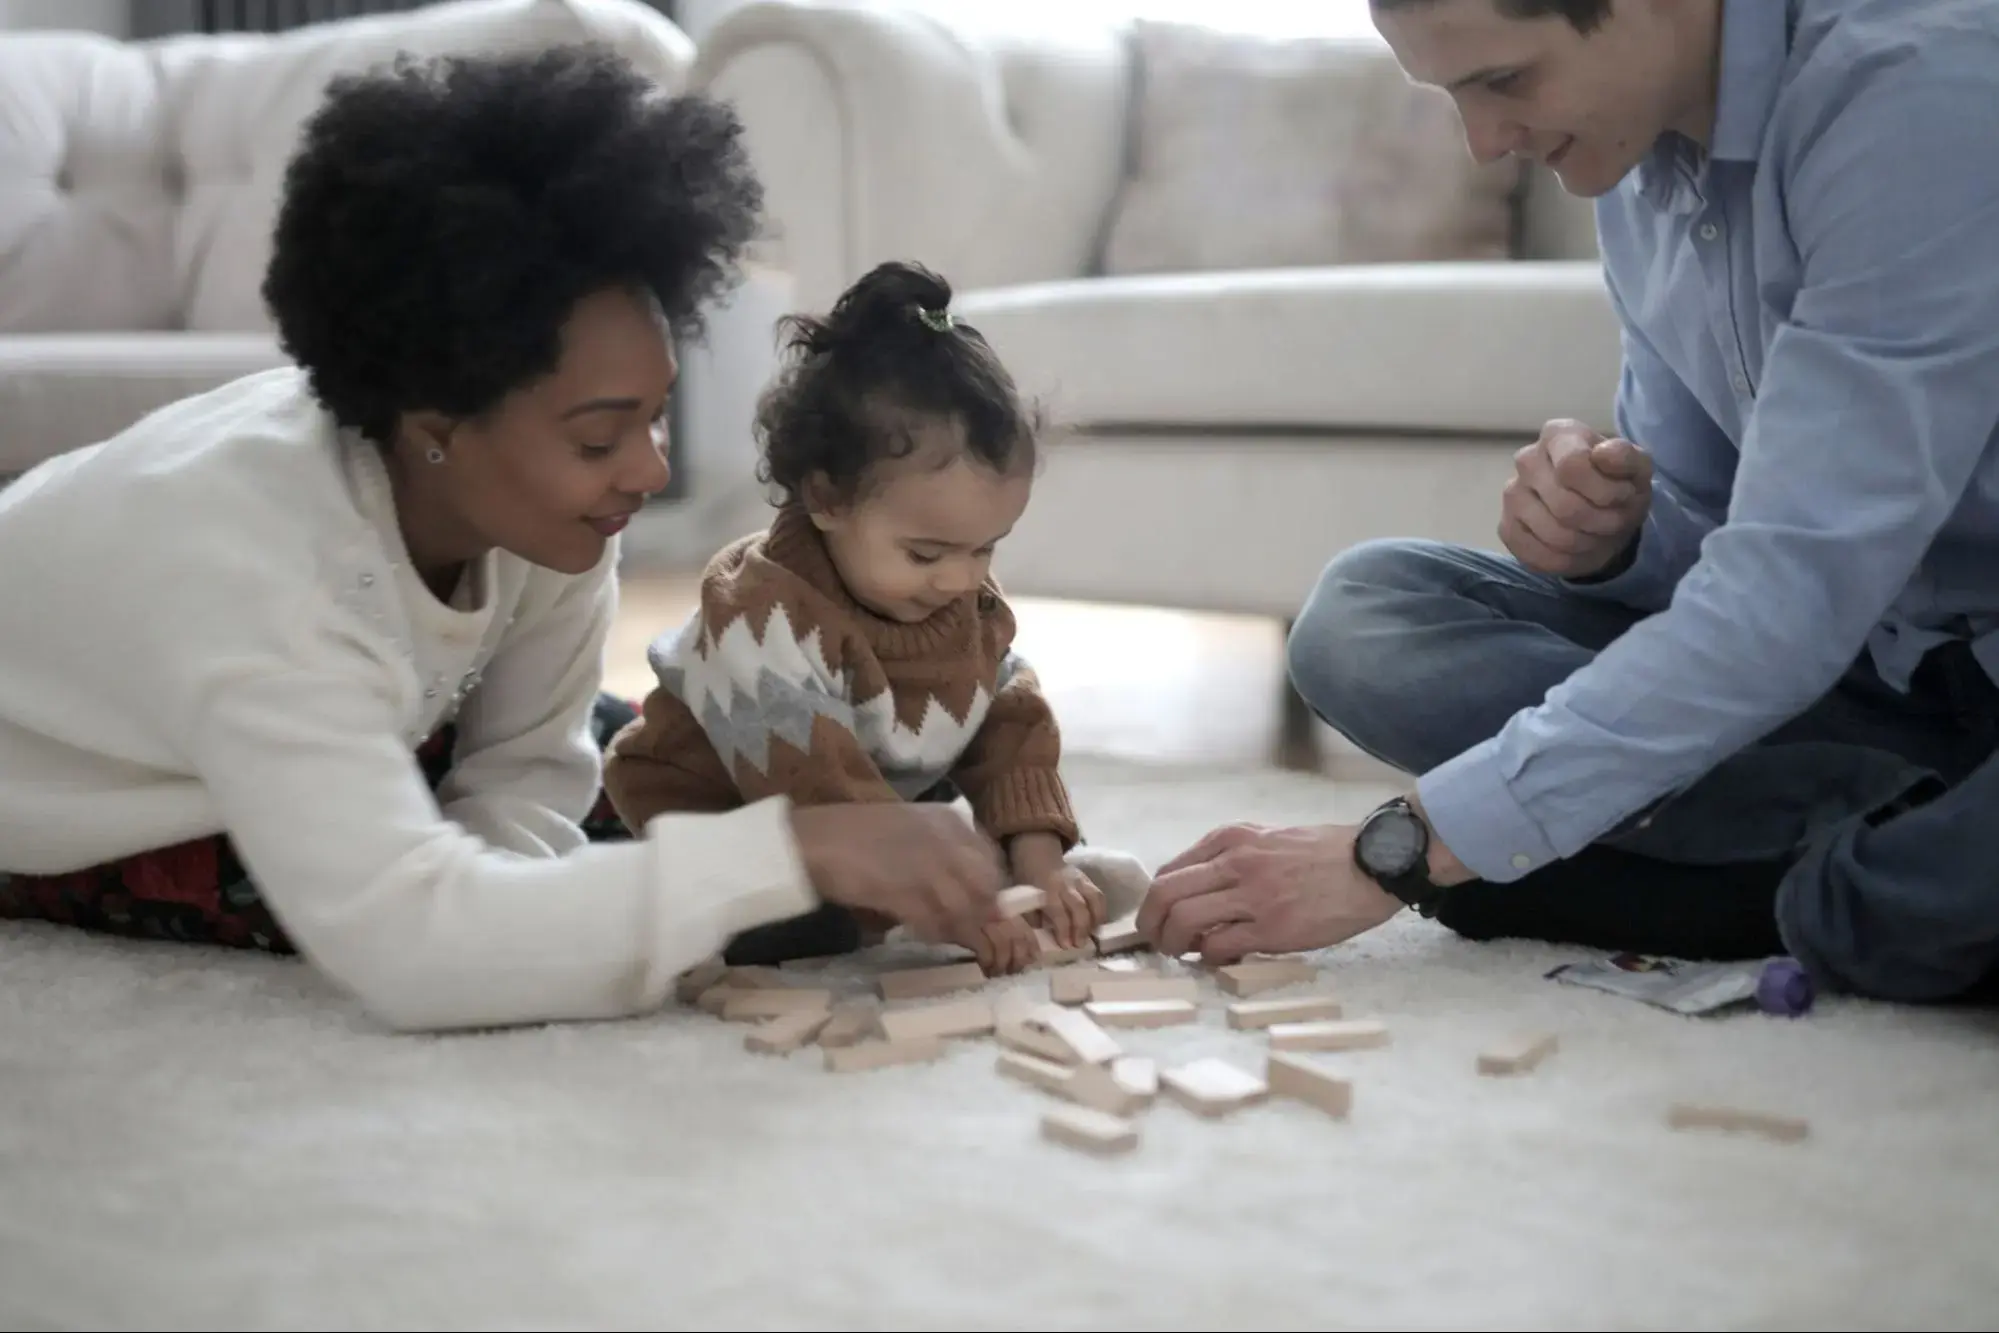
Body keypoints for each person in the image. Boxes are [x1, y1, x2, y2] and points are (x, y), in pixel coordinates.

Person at [0, 46, 1011, 1033]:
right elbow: (412, 949)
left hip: (338, 697)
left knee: (677, 764)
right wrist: (793, 852)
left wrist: (536, 901)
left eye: (655, 416)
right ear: (435, 428)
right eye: (600, 436)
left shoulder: (542, 506)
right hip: (79, 787)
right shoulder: (257, 573)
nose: (649, 470)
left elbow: (530, 769)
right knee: (718, 872)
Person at [1137, 0, 1999, 1005]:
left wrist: (1401, 851)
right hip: (1875, 681)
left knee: (1906, 896)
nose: (1485, 143)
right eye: (1453, 95)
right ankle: (1868, 850)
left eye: (1504, 81)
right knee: (1365, 614)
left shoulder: (1915, 93)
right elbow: (1721, 538)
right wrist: (1615, 540)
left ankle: (1813, 892)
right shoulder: (1634, 160)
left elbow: (1787, 598)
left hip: (1882, 646)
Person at [604, 260, 1151, 975]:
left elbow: (1010, 724)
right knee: (790, 931)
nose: (962, 578)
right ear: (826, 499)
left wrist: (1038, 859)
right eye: (927, 552)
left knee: (991, 739)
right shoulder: (762, 614)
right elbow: (826, 804)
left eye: (985, 547)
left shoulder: (959, 600)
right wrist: (967, 906)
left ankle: (1003, 866)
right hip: (720, 812)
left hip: (857, 805)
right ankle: (604, 816)